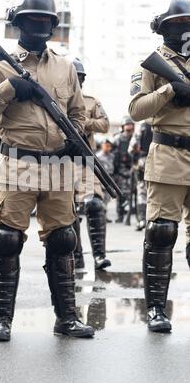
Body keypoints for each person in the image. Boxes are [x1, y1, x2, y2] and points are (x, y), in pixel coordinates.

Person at [0, 0, 94, 341]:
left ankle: (67, 319)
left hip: (57, 165)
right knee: (7, 239)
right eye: (31, 19)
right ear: (18, 23)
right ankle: (2, 321)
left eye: (45, 20)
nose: (38, 26)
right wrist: (10, 88)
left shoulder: (66, 67)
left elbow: (78, 113)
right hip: (16, 164)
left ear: (53, 25)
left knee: (62, 239)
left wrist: (77, 140)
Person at [129, 0, 190, 332]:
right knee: (162, 232)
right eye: (178, 23)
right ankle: (156, 309)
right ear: (164, 27)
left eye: (189, 23)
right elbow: (136, 110)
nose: (184, 29)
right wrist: (170, 91)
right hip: (168, 156)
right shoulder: (150, 64)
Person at [72, 58, 111, 270]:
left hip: (86, 160)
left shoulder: (91, 101)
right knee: (67, 212)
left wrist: (81, 123)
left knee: (94, 204)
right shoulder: (53, 100)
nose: (75, 80)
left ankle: (99, 256)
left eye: (78, 77)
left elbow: (104, 124)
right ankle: (76, 257)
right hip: (60, 162)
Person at [128, 122, 153, 231]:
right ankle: (153, 221)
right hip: (160, 162)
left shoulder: (142, 127)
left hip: (144, 162)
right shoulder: (164, 121)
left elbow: (132, 148)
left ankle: (142, 220)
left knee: (142, 194)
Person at [112, 116, 135, 223]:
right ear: (123, 126)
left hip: (133, 168)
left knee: (134, 193)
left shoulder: (135, 138)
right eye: (127, 125)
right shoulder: (118, 139)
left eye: (130, 124)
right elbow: (113, 155)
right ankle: (120, 214)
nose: (129, 127)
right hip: (120, 170)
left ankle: (134, 212)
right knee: (120, 193)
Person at [96, 138, 115, 222]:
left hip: (109, 178)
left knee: (107, 199)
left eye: (109, 146)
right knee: (101, 198)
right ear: (102, 146)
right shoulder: (98, 156)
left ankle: (105, 215)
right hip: (101, 179)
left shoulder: (112, 156)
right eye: (106, 146)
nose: (107, 147)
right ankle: (101, 216)